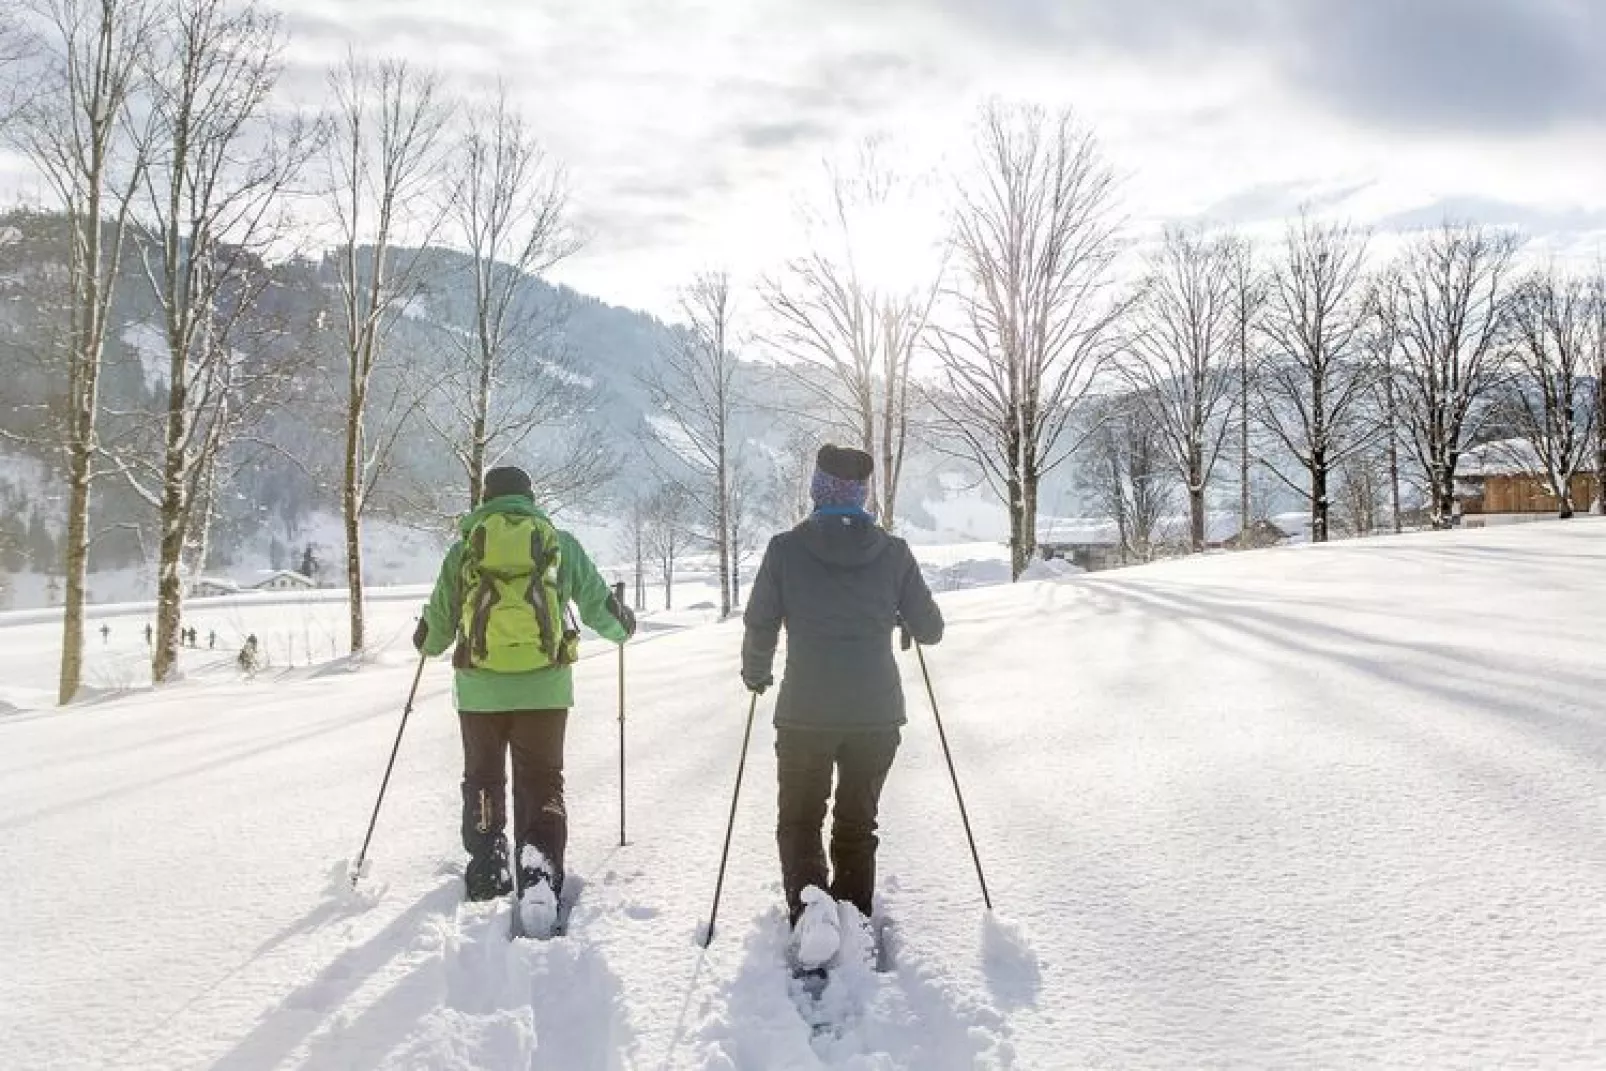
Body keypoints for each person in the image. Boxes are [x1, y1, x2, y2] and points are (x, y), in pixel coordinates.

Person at [741, 444, 944, 968]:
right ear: (862, 495)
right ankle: (851, 916)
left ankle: (812, 911)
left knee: (800, 818)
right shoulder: (893, 552)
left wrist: (756, 672)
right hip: (875, 714)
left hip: (805, 710)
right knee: (858, 822)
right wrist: (899, 617)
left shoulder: (785, 549)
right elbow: (932, 629)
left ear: (817, 489)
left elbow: (761, 620)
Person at [414, 465, 635, 934]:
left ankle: (489, 864)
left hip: (479, 691)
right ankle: (538, 874)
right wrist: (623, 624)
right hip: (545, 689)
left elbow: (436, 632)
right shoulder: (557, 543)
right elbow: (600, 607)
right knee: (541, 780)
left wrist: (425, 637)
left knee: (483, 776)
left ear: (487, 499)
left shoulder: (466, 549)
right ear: (530, 499)